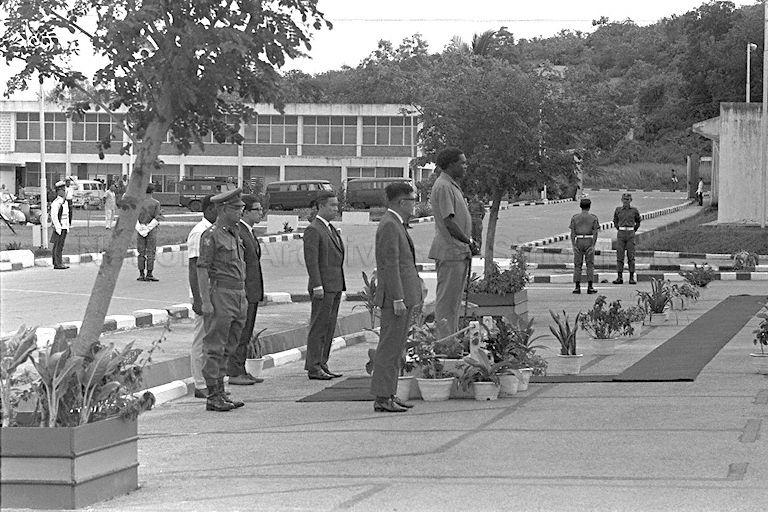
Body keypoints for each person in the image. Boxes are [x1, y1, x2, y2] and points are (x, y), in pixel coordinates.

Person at [370, 182, 424, 413]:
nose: (415, 205)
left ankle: (389, 393)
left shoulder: (397, 223)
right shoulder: (390, 225)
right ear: (402, 202)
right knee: (389, 349)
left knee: (396, 348)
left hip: (403, 296)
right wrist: (397, 298)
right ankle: (382, 397)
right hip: (396, 299)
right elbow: (389, 265)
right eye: (413, 200)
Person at [197, 188, 248, 412]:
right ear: (223, 209)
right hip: (221, 294)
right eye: (237, 208)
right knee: (215, 346)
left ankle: (221, 390)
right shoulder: (211, 235)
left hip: (238, 294)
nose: (241, 211)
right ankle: (213, 394)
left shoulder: (233, 233)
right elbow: (202, 269)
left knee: (231, 344)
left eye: (242, 208)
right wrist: (205, 301)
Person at [428, 147, 477, 340]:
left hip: (458, 252)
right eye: (462, 163)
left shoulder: (452, 185)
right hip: (450, 251)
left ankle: (451, 342)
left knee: (454, 303)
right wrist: (468, 240)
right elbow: (448, 221)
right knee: (447, 303)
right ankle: (445, 344)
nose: (466, 166)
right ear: (450, 165)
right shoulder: (443, 186)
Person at [303, 190, 345, 381]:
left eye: (337, 205)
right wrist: (317, 285)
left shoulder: (331, 229)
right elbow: (312, 261)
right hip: (323, 287)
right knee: (319, 326)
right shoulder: (314, 229)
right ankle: (313, 366)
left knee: (329, 327)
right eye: (332, 206)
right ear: (321, 206)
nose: (336, 209)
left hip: (335, 285)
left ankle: (322, 362)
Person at [227, 194, 265, 386]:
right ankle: (234, 371)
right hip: (244, 292)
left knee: (247, 333)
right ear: (246, 212)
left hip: (253, 290)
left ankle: (241, 369)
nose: (261, 213)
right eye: (257, 209)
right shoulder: (239, 232)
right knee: (240, 334)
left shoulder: (249, 232)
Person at [187, 195, 217, 399]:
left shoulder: (214, 231)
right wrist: (198, 299)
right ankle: (199, 384)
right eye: (219, 208)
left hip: (214, 293)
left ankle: (210, 381)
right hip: (202, 294)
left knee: (211, 341)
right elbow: (194, 267)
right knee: (200, 341)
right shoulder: (199, 232)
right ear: (209, 209)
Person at [569, 198, 600, 294]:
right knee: (590, 265)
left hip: (578, 241)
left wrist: (574, 245)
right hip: (588, 240)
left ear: (580, 206)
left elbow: (572, 233)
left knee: (577, 265)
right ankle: (590, 287)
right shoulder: (593, 218)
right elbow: (595, 233)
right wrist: (593, 245)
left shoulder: (575, 217)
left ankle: (577, 287)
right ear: (589, 206)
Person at [612, 192, 641, 285]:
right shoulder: (618, 210)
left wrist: (633, 230)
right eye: (624, 199)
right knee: (620, 256)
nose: (626, 201)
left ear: (631, 200)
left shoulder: (634, 211)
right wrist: (619, 228)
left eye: (628, 200)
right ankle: (619, 277)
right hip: (621, 233)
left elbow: (638, 221)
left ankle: (631, 277)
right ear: (621, 200)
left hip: (630, 234)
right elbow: (615, 221)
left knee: (631, 256)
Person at [136, 183, 162, 281]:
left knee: (141, 252)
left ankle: (141, 274)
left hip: (140, 228)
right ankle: (149, 273)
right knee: (151, 251)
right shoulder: (156, 203)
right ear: (152, 191)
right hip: (151, 229)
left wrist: (140, 228)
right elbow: (157, 217)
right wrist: (149, 228)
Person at [50, 180, 70, 270]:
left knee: (60, 245)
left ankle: (58, 261)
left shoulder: (64, 202)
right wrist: (58, 227)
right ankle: (57, 263)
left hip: (64, 226)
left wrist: (67, 227)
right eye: (62, 189)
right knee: (57, 245)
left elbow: (66, 215)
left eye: (64, 189)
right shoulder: (56, 203)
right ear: (58, 191)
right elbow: (54, 216)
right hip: (59, 226)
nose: (64, 191)